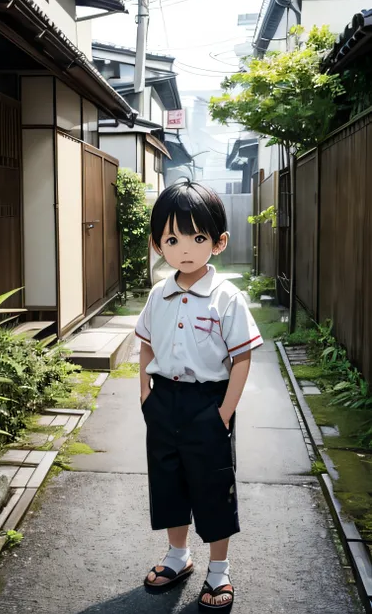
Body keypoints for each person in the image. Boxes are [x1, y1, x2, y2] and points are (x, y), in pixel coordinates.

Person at [136, 180, 263, 612]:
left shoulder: (227, 298)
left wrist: (224, 412)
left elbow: (242, 358)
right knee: (167, 482)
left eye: (198, 237)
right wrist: (144, 396)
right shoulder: (159, 294)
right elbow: (146, 344)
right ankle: (178, 557)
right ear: (158, 244)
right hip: (164, 402)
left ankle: (219, 568)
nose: (185, 248)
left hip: (208, 404)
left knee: (213, 487)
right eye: (172, 238)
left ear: (218, 241)